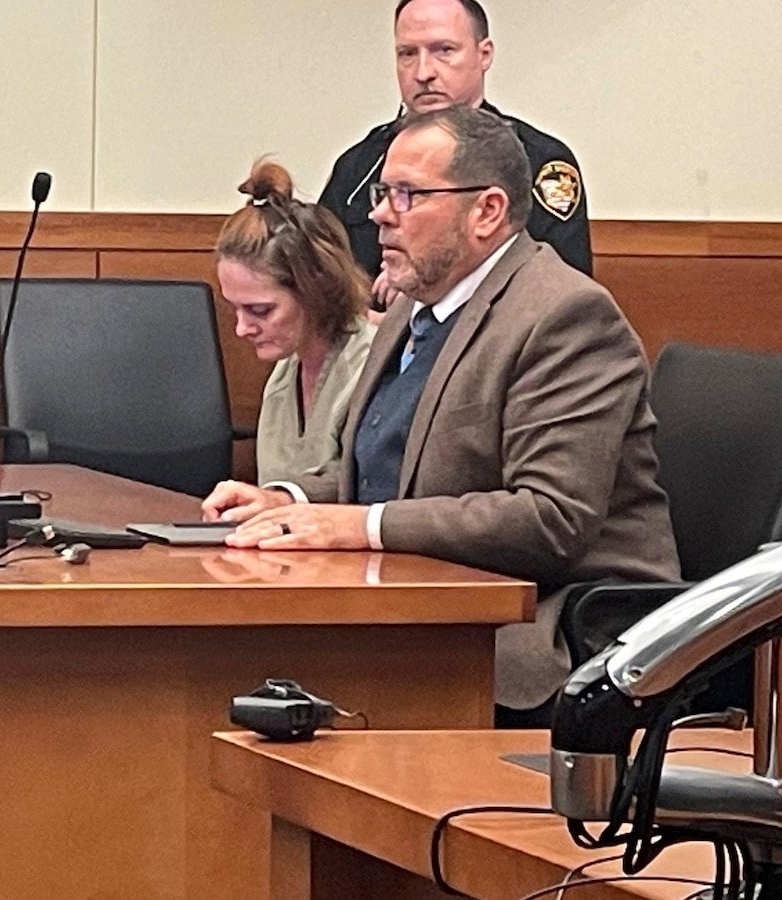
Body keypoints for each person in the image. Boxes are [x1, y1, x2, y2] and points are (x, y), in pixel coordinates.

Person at [202, 106, 677, 720]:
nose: (380, 213)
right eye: (381, 193)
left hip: (547, 632)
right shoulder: (414, 307)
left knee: (269, 672)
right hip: (427, 603)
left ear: (487, 211)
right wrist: (289, 500)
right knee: (237, 662)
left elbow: (551, 518)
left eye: (407, 194)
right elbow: (400, 473)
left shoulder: (565, 316)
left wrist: (359, 526)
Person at [318, 0, 592, 318]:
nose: (423, 72)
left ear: (484, 54)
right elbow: (316, 279)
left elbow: (562, 297)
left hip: (489, 342)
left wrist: (421, 293)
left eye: (444, 50)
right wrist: (366, 324)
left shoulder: (538, 162)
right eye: (408, 54)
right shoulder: (360, 166)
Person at [214, 158, 375, 491]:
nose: (242, 329)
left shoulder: (374, 369)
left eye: (260, 310)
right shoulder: (285, 373)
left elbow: (365, 490)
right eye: (235, 310)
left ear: (315, 290)